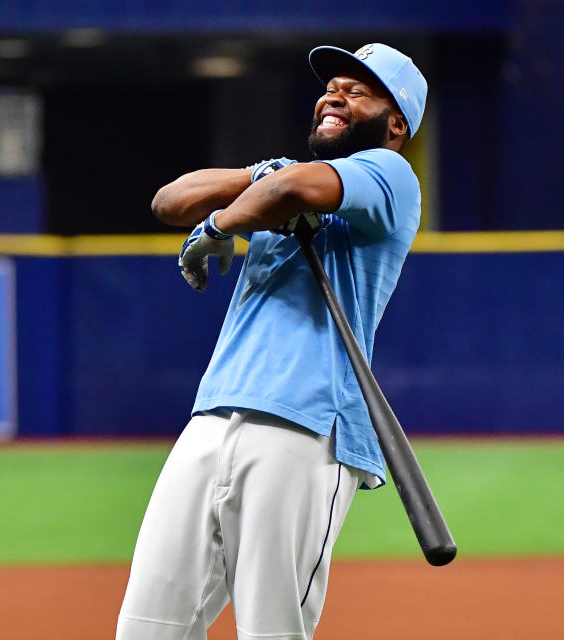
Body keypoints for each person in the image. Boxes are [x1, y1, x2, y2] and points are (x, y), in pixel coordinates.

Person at [115, 43, 427, 640]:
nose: (335, 94)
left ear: (395, 124)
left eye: (359, 90)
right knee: (146, 630)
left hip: (309, 427)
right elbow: (170, 200)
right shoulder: (282, 175)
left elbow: (298, 193)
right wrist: (258, 175)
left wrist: (220, 224)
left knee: (270, 632)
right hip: (213, 417)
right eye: (332, 86)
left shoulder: (392, 175)